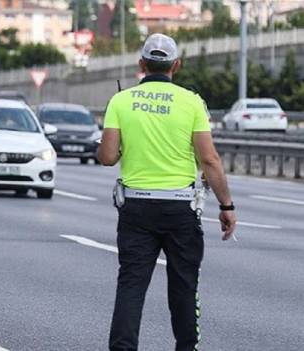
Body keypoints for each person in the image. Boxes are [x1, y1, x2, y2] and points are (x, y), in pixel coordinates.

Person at [97, 33, 237, 351]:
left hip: (136, 209)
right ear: (176, 65)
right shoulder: (191, 103)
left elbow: (107, 158)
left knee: (131, 285)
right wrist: (226, 205)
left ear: (141, 64)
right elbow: (209, 160)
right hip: (180, 210)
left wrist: (119, 149)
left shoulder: (121, 101)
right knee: (184, 286)